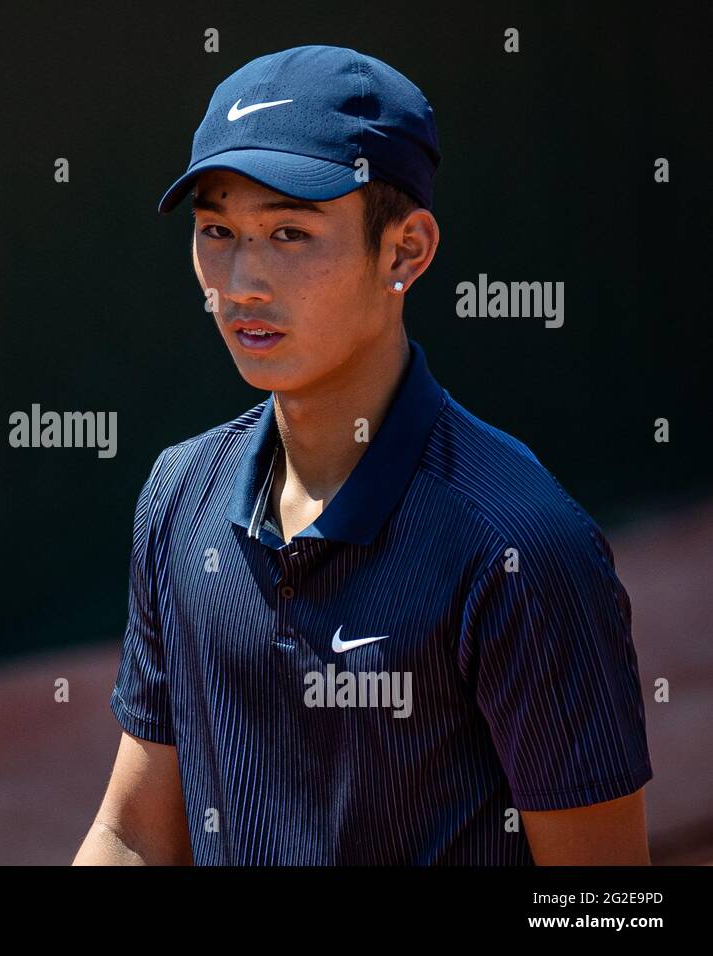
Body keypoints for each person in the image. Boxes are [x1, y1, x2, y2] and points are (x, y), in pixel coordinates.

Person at [72, 45, 653, 865]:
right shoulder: (179, 494)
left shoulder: (523, 550)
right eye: (217, 232)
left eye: (288, 232)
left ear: (405, 251)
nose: (239, 282)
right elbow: (133, 835)